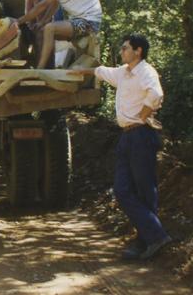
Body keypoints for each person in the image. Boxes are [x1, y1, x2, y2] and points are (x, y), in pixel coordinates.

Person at [69, 34, 171, 261]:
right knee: (122, 189)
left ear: (138, 51)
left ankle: (148, 240)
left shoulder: (146, 72)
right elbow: (101, 71)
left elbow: (156, 94)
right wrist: (81, 71)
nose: (122, 51)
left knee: (145, 190)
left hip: (141, 134)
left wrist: (142, 116)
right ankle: (152, 236)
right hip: (127, 136)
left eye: (125, 48)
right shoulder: (123, 73)